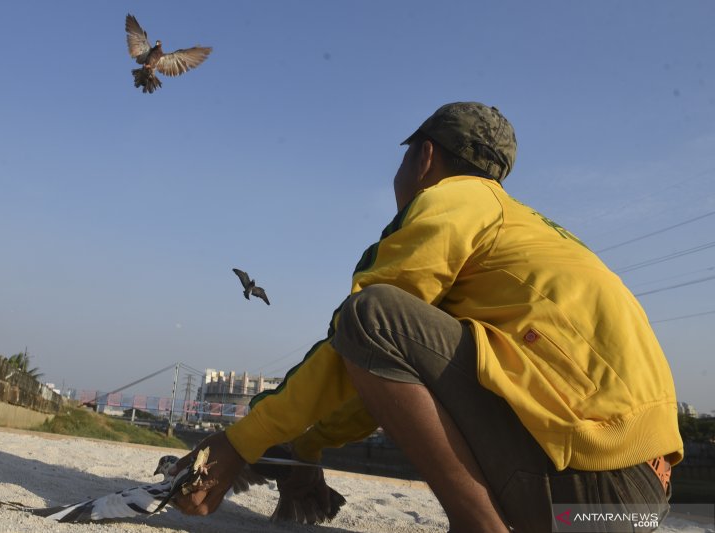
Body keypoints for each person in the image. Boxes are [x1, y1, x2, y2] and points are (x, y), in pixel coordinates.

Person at [170, 102, 684, 532]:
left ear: (425, 157)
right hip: (625, 512)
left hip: (591, 487)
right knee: (381, 330)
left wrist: (237, 443)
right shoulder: (525, 235)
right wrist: (304, 447)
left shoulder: (457, 199)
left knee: (370, 313)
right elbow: (379, 383)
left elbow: (364, 332)